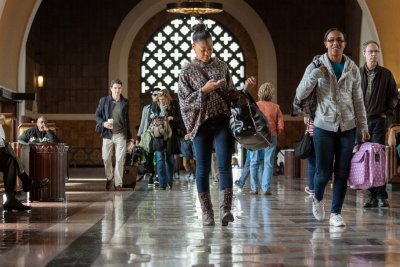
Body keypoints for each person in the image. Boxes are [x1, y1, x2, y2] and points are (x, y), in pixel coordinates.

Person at [178, 22, 256, 226]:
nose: (207, 52)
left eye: (210, 48)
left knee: (224, 164)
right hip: (200, 124)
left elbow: (231, 95)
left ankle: (225, 210)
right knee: (202, 167)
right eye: (203, 49)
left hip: (222, 120)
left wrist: (244, 89)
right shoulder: (186, 72)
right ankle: (207, 212)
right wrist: (204, 90)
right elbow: (184, 103)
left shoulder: (222, 66)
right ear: (193, 47)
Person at [295, 28, 370, 227]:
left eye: (339, 40)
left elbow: (358, 100)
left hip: (348, 126)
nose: (335, 43)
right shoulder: (316, 65)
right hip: (323, 125)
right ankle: (317, 198)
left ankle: (336, 213)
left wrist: (363, 125)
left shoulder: (352, 68)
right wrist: (315, 74)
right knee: (323, 172)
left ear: (344, 44)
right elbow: (300, 93)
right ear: (325, 43)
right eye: (331, 40)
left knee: (342, 172)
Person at [358, 40, 398, 209]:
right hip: (361, 122)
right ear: (364, 53)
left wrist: (387, 112)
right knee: (365, 159)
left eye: (376, 51)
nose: (374, 54)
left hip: (378, 121)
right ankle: (370, 196)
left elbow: (394, 96)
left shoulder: (386, 74)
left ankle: (381, 196)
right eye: (371, 51)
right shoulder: (357, 73)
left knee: (377, 158)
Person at [0, 117, 49, 211]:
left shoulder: (47, 131)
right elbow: (19, 139)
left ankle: (11, 199)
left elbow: (54, 140)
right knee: (6, 146)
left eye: (45, 122)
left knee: (10, 161)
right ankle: (26, 180)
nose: (43, 124)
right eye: (41, 122)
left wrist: (48, 130)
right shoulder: (31, 131)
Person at [95, 79, 133, 191]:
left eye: (119, 88)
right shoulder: (104, 101)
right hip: (108, 134)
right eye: (115, 88)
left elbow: (127, 121)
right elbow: (97, 115)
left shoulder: (125, 102)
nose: (117, 90)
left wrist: (130, 137)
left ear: (121, 89)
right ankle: (109, 178)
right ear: (111, 89)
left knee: (120, 159)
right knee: (106, 158)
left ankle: (118, 184)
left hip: (121, 134)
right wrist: (103, 123)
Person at [249, 82, 284, 195]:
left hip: (256, 136)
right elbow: (280, 124)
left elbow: (250, 120)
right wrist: (278, 132)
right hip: (271, 135)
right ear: (271, 94)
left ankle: (254, 188)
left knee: (254, 161)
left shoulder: (255, 105)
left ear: (260, 93)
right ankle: (266, 188)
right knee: (268, 162)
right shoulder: (276, 107)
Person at [150, 89, 181, 190]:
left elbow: (180, 119)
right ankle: (163, 184)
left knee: (170, 160)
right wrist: (152, 118)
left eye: (164, 99)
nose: (162, 101)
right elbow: (149, 119)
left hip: (170, 136)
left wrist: (171, 118)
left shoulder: (174, 104)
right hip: (158, 135)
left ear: (168, 98)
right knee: (159, 159)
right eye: (160, 99)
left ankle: (169, 182)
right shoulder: (154, 105)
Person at [137, 87, 160, 185]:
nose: (157, 96)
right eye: (155, 94)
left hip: (158, 135)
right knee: (148, 156)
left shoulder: (162, 107)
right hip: (147, 135)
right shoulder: (146, 108)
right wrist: (138, 136)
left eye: (159, 94)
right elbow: (142, 122)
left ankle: (158, 176)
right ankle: (151, 174)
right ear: (152, 96)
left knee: (158, 155)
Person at [304, 117, 315, 196]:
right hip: (324, 136)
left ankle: (312, 188)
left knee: (311, 163)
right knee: (320, 162)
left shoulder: (308, 105)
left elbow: (305, 121)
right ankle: (319, 187)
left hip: (310, 136)